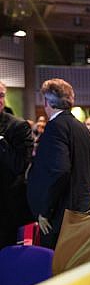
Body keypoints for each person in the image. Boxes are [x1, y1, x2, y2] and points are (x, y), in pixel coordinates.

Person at [27, 78, 90, 249]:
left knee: (57, 267)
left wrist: (45, 210)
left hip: (58, 215)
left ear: (47, 102)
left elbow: (59, 170)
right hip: (80, 211)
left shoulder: (55, 127)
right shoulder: (81, 128)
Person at [0, 81, 34, 248]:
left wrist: (1, 141)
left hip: (5, 209)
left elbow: (20, 165)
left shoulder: (18, 126)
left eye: (1, 95)